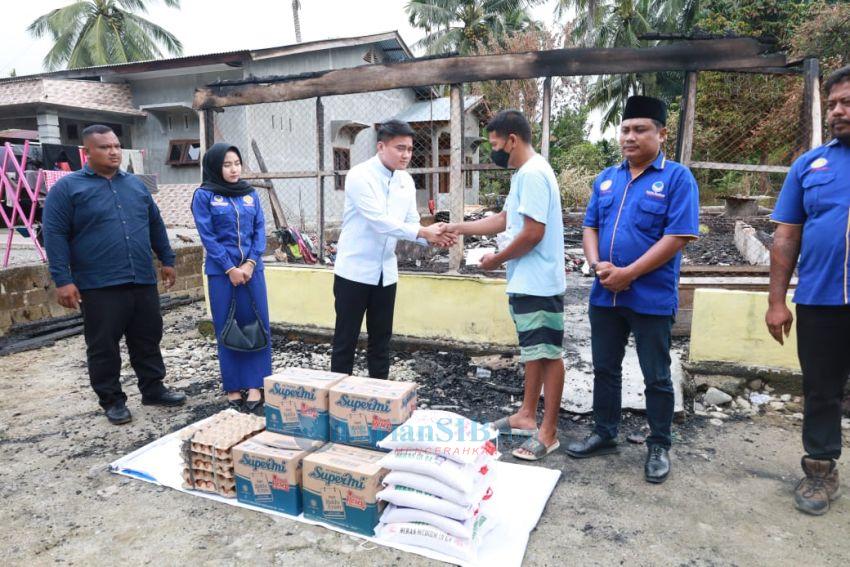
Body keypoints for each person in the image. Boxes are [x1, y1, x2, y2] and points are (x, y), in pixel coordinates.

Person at [567, 96, 699, 484]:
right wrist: (596, 265)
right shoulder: (607, 177)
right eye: (625, 129)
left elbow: (677, 236)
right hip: (604, 294)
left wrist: (629, 274)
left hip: (650, 298)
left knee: (656, 374)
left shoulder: (676, 178)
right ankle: (605, 433)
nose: (630, 136)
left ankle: (659, 443)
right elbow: (590, 226)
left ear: (661, 134)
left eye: (640, 129)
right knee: (605, 368)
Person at [43, 124, 186, 425]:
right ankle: (112, 400)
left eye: (117, 146)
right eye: (105, 147)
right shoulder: (68, 189)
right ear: (87, 152)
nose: (113, 152)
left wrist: (167, 259)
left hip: (141, 279)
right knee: (103, 346)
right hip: (99, 284)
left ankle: (153, 389)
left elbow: (155, 225)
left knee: (147, 338)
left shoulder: (135, 185)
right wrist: (63, 279)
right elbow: (54, 235)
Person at [447, 109, 566, 461]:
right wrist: (458, 228)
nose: (494, 151)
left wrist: (495, 261)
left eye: (496, 144)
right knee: (533, 351)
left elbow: (533, 232)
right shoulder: (523, 175)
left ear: (512, 139)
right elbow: (504, 220)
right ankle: (527, 416)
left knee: (547, 354)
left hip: (540, 282)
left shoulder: (532, 174)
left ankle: (549, 432)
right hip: (527, 280)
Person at [765, 65, 850, 516]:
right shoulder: (809, 165)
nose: (837, 111)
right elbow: (785, 236)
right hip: (821, 299)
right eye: (833, 103)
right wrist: (777, 301)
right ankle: (820, 470)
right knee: (821, 389)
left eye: (847, 102)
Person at [331, 119, 455, 378]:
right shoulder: (359, 176)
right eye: (400, 148)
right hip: (354, 272)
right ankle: (338, 405)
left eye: (409, 149)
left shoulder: (405, 182)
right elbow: (378, 221)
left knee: (381, 342)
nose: (406, 155)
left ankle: (380, 404)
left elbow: (410, 222)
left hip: (386, 273)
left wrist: (433, 238)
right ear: (380, 146)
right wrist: (423, 232)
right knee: (346, 341)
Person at [192, 143, 272, 415]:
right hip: (221, 274)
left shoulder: (250, 194)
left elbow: (260, 229)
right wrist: (230, 268)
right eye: (227, 164)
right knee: (227, 325)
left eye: (237, 163)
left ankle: (255, 383)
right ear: (216, 166)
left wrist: (250, 263)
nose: (234, 169)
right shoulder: (204, 195)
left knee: (256, 323)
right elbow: (208, 235)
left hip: (252, 272)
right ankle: (233, 385)